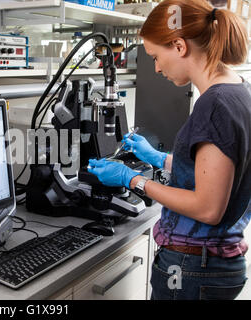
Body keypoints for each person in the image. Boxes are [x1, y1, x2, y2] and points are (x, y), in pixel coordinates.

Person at [88, 0, 251, 300]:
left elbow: (208, 208)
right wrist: (161, 159)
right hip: (215, 264)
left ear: (179, 46)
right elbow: (217, 173)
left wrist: (132, 179)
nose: (157, 67)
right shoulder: (239, 89)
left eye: (154, 56)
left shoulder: (214, 105)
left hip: (191, 267)